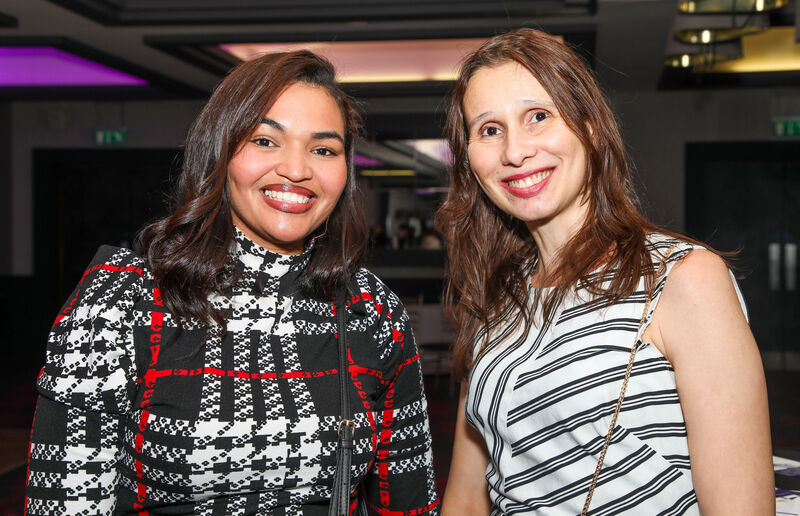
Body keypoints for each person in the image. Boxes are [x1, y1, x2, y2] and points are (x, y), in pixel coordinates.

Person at [26, 50, 440, 515]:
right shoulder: (123, 298)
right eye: (265, 140)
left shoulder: (372, 309)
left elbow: (409, 503)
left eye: (323, 149)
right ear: (220, 151)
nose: (297, 169)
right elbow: (66, 501)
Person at [437, 29, 773, 515]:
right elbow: (468, 499)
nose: (515, 151)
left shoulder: (682, 278)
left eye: (538, 117)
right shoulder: (496, 300)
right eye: (490, 129)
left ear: (591, 127)